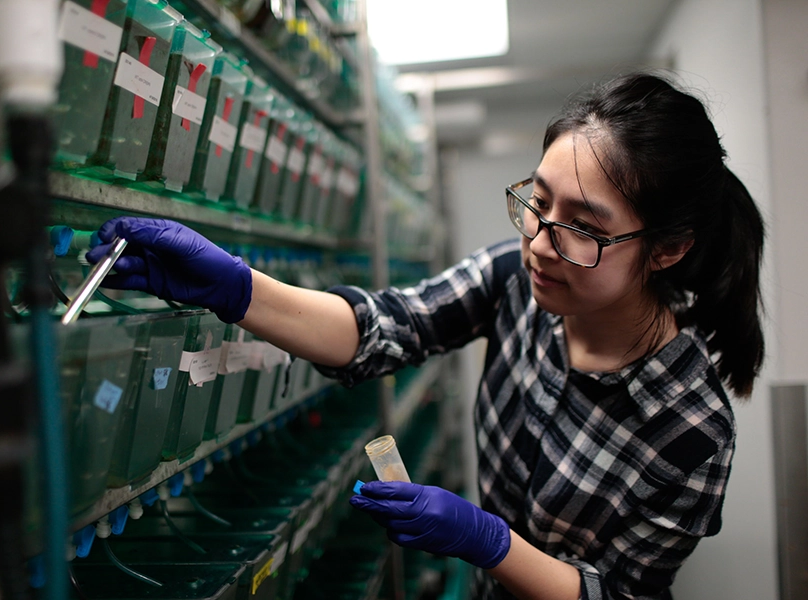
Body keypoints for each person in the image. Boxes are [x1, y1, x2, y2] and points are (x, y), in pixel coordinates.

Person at [86, 72, 765, 600]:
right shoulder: (514, 278)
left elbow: (617, 592)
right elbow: (382, 327)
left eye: (582, 226)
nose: (538, 240)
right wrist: (238, 289)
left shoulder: (693, 426)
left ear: (668, 248)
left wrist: (487, 541)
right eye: (538, 200)